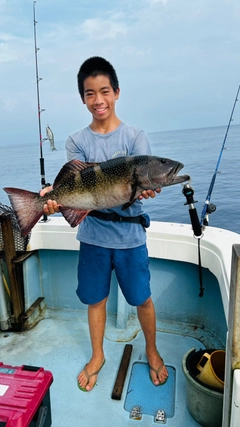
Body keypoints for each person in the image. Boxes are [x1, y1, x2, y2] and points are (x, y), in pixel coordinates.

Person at [40, 56, 168, 392]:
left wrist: (146, 189)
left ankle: (152, 350)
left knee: (142, 299)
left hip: (130, 238)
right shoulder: (76, 141)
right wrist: (54, 199)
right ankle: (98, 355)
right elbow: (75, 189)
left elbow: (144, 180)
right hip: (94, 236)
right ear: (83, 98)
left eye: (105, 91)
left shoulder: (135, 137)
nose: (99, 100)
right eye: (90, 94)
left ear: (117, 92)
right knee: (95, 300)